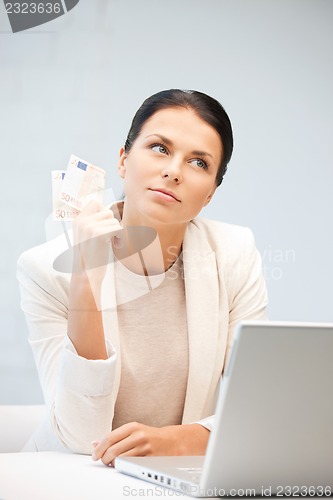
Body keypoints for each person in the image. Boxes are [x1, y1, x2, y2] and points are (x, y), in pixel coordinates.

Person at [17, 89, 268, 464]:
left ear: (212, 192)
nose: (173, 171)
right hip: (68, 477)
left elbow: (255, 406)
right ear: (123, 160)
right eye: (160, 148)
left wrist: (177, 441)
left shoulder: (234, 253)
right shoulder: (45, 269)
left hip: (178, 477)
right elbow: (79, 434)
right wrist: (85, 279)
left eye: (199, 163)